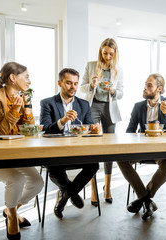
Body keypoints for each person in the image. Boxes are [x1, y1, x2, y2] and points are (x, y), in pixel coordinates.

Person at [0, 62, 44, 239]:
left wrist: (28, 106)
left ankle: (11, 210)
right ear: (12, 77)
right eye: (27, 77)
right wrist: (16, 109)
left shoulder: (23, 97)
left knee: (37, 181)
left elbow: (30, 130)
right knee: (16, 179)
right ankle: (13, 219)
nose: (29, 81)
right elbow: (2, 130)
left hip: (15, 154)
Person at [117, 73, 166, 220]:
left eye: (149, 85)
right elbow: (129, 131)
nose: (145, 87)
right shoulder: (138, 106)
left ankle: (142, 199)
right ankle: (146, 200)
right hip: (141, 149)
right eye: (145, 84)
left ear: (159, 89)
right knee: (120, 159)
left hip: (162, 149)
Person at [40, 68, 101, 219]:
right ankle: (72, 194)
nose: (73, 86)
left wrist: (93, 129)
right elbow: (45, 129)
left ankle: (65, 195)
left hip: (78, 151)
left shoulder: (84, 104)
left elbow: (87, 126)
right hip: (56, 152)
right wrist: (62, 120)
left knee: (94, 165)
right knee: (54, 168)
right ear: (60, 83)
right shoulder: (47, 103)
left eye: (75, 83)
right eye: (68, 83)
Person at [80, 38, 123, 206]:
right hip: (93, 106)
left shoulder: (118, 70)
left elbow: (121, 92)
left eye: (111, 54)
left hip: (109, 108)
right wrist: (91, 85)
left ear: (115, 54)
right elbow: (82, 86)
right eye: (105, 53)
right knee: (93, 147)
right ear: (100, 51)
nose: (107, 56)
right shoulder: (91, 66)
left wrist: (113, 91)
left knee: (109, 149)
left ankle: (107, 188)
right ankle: (93, 189)